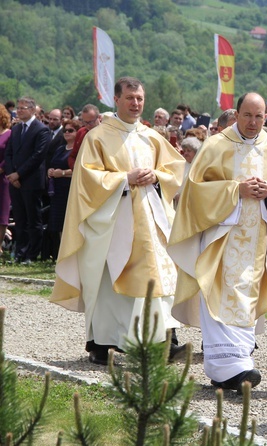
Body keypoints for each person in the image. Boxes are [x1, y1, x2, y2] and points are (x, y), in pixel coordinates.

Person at [168, 92, 267, 393]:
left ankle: (236, 364)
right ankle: (230, 368)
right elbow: (194, 193)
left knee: (248, 297)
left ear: (266, 117)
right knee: (219, 295)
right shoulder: (215, 146)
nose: (253, 123)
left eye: (259, 116)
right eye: (248, 116)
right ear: (236, 114)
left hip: (258, 243)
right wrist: (234, 191)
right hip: (220, 241)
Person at [50, 77, 186, 365]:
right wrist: (125, 179)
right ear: (116, 100)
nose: (136, 104)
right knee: (109, 281)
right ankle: (102, 342)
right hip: (113, 221)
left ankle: (163, 339)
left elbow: (174, 169)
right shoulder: (97, 136)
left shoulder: (151, 136)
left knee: (159, 275)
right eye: (130, 98)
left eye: (140, 98)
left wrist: (157, 177)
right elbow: (87, 179)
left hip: (150, 220)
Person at [4, 96, 50, 264]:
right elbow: (8, 153)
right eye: (19, 107)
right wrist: (11, 173)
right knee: (20, 219)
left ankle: (32, 253)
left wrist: (19, 174)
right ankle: (20, 252)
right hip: (15, 182)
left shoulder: (41, 130)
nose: (19, 110)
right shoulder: (16, 129)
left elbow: (37, 157)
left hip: (31, 182)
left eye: (23, 108)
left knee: (33, 219)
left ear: (32, 110)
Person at [45, 119, 80, 259]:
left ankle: (70, 256)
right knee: (57, 224)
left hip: (70, 190)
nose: (67, 133)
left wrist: (63, 173)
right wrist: (51, 171)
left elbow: (79, 170)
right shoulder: (60, 148)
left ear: (78, 132)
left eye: (71, 130)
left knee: (69, 223)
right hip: (57, 191)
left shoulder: (79, 150)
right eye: (65, 130)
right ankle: (60, 254)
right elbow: (52, 163)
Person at [67, 104, 101, 169]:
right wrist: (75, 167)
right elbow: (72, 156)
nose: (88, 125)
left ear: (99, 117)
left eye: (91, 122)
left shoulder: (106, 133)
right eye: (85, 122)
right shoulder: (81, 132)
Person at [0, 105, 12, 255]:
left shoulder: (9, 134)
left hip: (2, 178)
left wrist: (2, 167)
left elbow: (10, 154)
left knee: (2, 213)